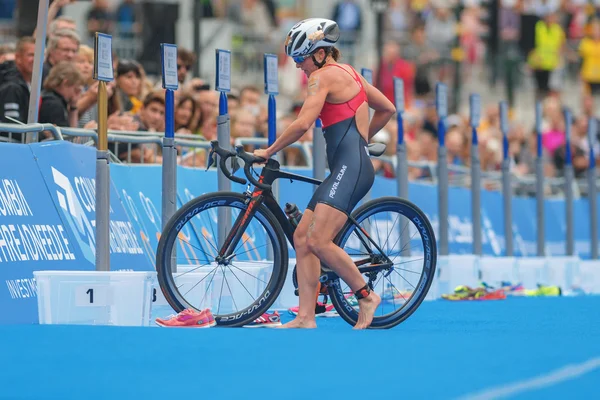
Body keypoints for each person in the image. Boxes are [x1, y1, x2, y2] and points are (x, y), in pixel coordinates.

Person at [253, 18, 396, 329]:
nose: (298, 67)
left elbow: (304, 123)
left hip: (351, 169)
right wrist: (364, 139)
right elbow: (388, 109)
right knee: (302, 238)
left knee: (318, 240)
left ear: (318, 53)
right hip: (351, 166)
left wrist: (268, 151)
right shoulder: (352, 74)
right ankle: (306, 317)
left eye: (300, 59)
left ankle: (366, 294)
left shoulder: (321, 77)